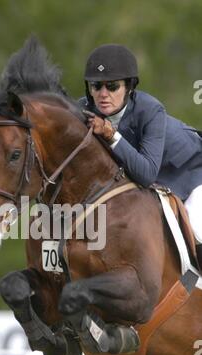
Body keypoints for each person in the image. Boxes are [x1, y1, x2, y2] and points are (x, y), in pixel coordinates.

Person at [79, 43, 202, 272]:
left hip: (193, 170)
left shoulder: (150, 110)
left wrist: (111, 134)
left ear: (129, 87)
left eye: (112, 86)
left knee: (197, 228)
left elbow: (145, 174)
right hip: (159, 181)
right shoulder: (84, 111)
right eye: (96, 86)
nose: (103, 94)